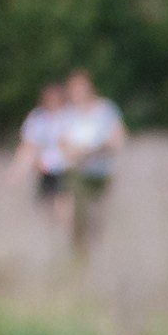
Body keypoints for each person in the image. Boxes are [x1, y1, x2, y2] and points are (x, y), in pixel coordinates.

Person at [59, 71, 126, 243]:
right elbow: (64, 145)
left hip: (103, 172)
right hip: (78, 173)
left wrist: (91, 150)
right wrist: (88, 150)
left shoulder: (105, 109)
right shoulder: (67, 114)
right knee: (77, 216)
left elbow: (117, 139)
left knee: (102, 217)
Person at [14, 79, 69, 203]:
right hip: (43, 166)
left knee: (61, 199)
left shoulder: (68, 117)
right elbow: (28, 143)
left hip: (63, 167)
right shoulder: (37, 117)